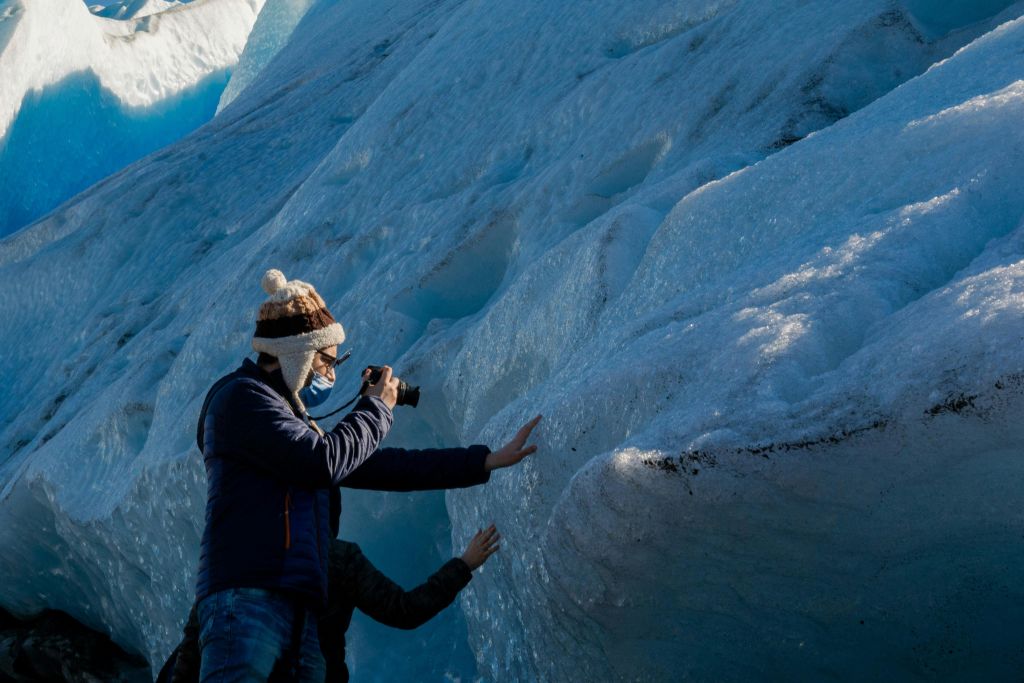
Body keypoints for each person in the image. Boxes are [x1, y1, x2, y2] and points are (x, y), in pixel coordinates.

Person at [192, 269, 540, 682]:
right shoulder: (243, 400)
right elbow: (324, 462)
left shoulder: (286, 421)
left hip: (298, 602)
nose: (331, 375)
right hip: (250, 596)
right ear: (295, 351)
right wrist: (377, 408)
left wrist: (483, 461)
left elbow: (386, 466)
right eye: (327, 360)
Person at [158, 526, 501, 683]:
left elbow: (194, 638)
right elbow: (404, 610)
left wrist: (463, 565)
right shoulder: (337, 559)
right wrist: (464, 564)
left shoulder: (245, 547)